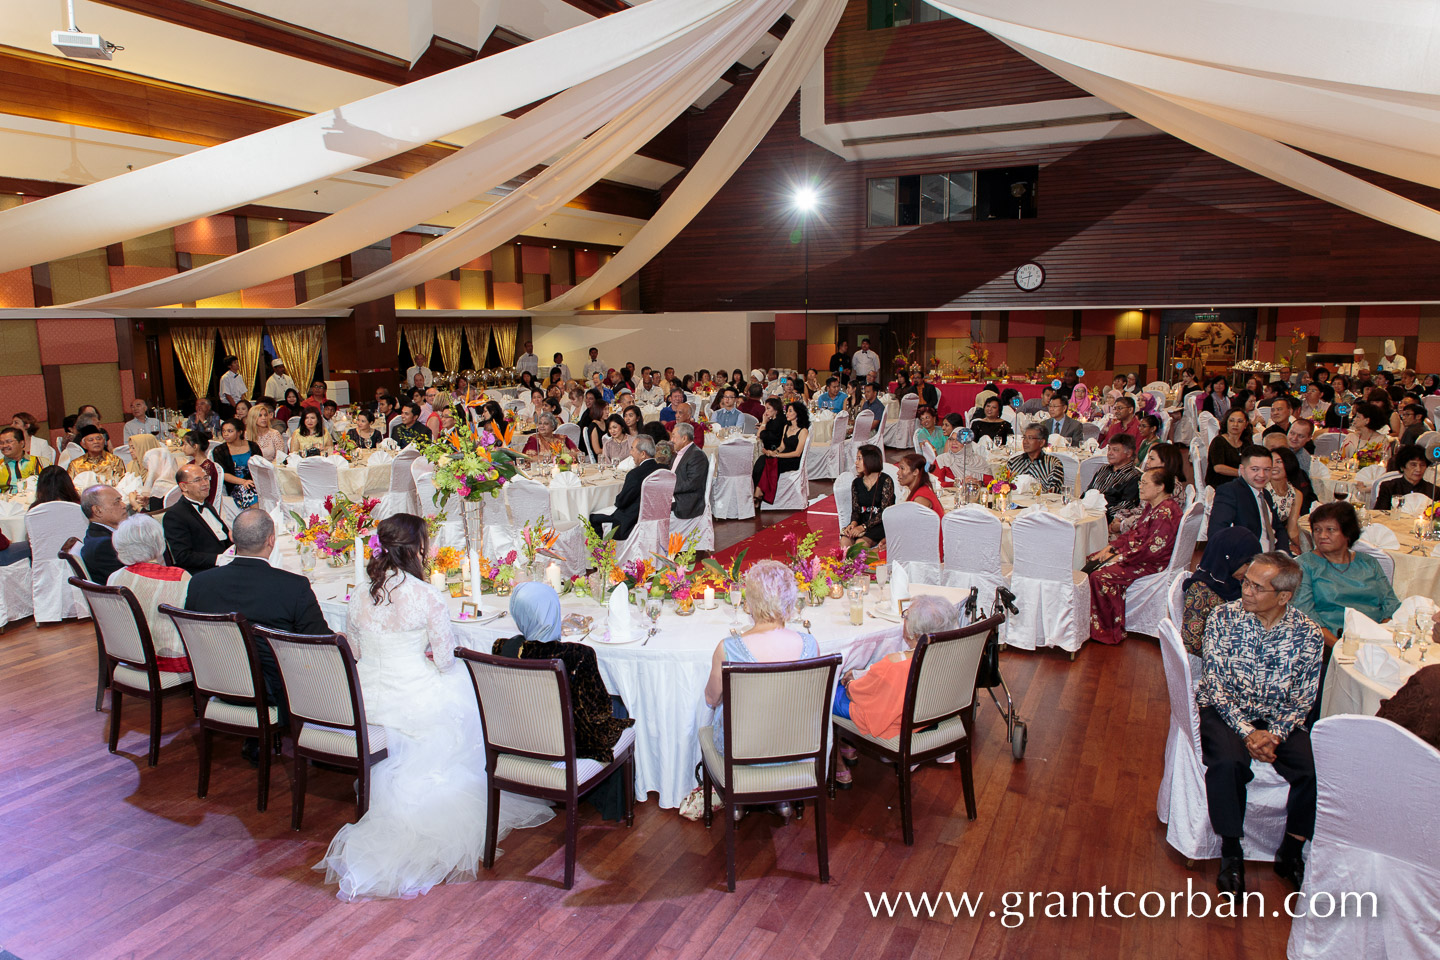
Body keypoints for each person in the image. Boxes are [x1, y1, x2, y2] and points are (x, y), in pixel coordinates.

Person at [313, 514, 555, 901]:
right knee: (464, 690)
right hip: (408, 699)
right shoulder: (426, 595)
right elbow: (445, 659)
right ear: (418, 549)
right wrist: (422, 656)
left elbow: (355, 650)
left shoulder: (361, 591)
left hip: (365, 699)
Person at [1197, 552, 1321, 894]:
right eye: (1246, 582)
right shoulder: (1222, 618)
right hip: (1227, 711)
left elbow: (1304, 698)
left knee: (1314, 770)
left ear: (1283, 597)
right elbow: (1215, 686)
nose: (1246, 591)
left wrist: (1276, 734)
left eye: (1256, 586)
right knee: (1228, 762)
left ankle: (1291, 852)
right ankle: (1231, 853)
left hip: (1278, 716)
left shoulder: (1307, 634)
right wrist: (1248, 733)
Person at [185, 508, 328, 763]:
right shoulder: (292, 586)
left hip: (215, 679)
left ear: (232, 537)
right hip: (273, 690)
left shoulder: (200, 583)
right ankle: (324, 745)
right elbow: (320, 644)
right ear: (271, 541)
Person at [491, 583, 636, 819]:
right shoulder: (577, 655)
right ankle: (614, 806)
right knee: (619, 706)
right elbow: (597, 718)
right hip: (566, 747)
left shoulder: (502, 648)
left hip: (520, 742)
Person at [704, 558, 820, 820]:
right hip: (794, 745)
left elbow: (711, 699)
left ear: (750, 603)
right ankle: (778, 799)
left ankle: (741, 800)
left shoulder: (728, 648)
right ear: (790, 602)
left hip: (740, 749)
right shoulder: (810, 645)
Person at [831, 594, 959, 786]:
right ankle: (845, 745)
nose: (904, 619)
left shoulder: (894, 665)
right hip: (928, 714)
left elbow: (855, 694)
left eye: (906, 616)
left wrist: (848, 681)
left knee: (825, 693)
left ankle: (835, 760)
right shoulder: (952, 654)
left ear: (914, 633)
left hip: (894, 723)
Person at [1086, 469, 1183, 644]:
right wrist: (1111, 547)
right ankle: (1094, 621)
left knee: (1100, 576)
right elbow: (1134, 534)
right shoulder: (1153, 507)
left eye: (1145, 483)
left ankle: (1109, 631)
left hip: (1150, 562)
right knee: (1093, 559)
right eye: (1140, 483)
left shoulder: (1165, 512)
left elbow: (1153, 550)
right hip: (1139, 554)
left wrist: (1120, 557)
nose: (1140, 487)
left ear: (1160, 487)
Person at [1293, 501, 1399, 643]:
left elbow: (1391, 604)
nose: (1322, 535)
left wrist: (1380, 635)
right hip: (1331, 642)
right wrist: (1340, 646)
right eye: (1317, 530)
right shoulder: (1305, 565)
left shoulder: (1368, 562)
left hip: (1375, 637)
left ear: (1348, 533)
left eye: (1330, 530)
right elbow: (1306, 617)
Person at [107, 515, 191, 671]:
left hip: (130, 655)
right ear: (159, 541)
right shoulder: (179, 577)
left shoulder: (115, 577)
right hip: (172, 658)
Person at [1180, 527, 1262, 657]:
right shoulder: (1201, 591)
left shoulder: (1234, 582)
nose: (1250, 571)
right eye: (1247, 563)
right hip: (1223, 661)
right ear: (1229, 558)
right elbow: (1191, 643)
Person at [1208, 444, 1290, 553]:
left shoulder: (1265, 494)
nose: (1261, 475)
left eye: (1267, 469)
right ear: (1242, 470)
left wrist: (1282, 553)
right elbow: (1216, 534)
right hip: (1250, 561)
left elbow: (1278, 528)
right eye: (1255, 469)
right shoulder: (1230, 492)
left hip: (1273, 558)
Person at [588, 435, 661, 539]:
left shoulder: (635, 474)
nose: (630, 453)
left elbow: (621, 502)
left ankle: (601, 553)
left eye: (632, 449)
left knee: (592, 517)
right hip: (655, 520)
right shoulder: (663, 470)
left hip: (631, 520)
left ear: (643, 454)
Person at [164, 463, 232, 573]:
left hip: (228, 562)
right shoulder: (175, 515)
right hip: (207, 571)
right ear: (183, 486)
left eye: (206, 478)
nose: (205, 483)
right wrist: (219, 559)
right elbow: (183, 556)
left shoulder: (208, 506)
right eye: (198, 480)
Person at [752, 401, 809, 506]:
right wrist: (773, 452)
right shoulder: (786, 427)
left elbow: (797, 453)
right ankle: (758, 490)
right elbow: (782, 447)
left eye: (790, 411)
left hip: (793, 460)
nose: (787, 413)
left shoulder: (803, 431)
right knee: (762, 459)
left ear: (798, 413)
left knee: (772, 462)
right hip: (782, 456)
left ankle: (759, 493)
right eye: (787, 411)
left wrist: (776, 455)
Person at [841, 446, 895, 549]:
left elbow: (885, 511)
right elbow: (856, 510)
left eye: (859, 459)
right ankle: (846, 564)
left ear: (870, 460)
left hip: (879, 523)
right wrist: (853, 524)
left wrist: (863, 527)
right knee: (845, 541)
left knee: (860, 543)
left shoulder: (886, 481)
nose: (856, 463)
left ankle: (860, 564)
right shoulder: (856, 482)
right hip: (862, 520)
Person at [79, 483, 128, 584]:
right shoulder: (103, 545)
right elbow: (127, 582)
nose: (124, 506)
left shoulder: (99, 536)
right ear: (97, 510)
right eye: (117, 502)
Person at [1086, 435, 1142, 521]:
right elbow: (1088, 491)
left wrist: (1099, 515)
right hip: (1087, 513)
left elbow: (1126, 506)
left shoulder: (1134, 476)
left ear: (1129, 453)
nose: (1110, 453)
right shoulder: (1104, 469)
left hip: (1107, 519)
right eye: (1109, 449)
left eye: (1115, 450)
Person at [1267, 447, 1312, 548]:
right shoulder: (1262, 490)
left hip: (1281, 538)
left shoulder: (1295, 494)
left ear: (1288, 464)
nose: (1273, 466)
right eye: (1271, 461)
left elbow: (1292, 530)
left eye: (1279, 462)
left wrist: (1306, 549)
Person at [214, 418, 262, 510]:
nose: (226, 434)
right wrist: (243, 482)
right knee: (249, 491)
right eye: (223, 431)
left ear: (239, 432)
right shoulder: (220, 450)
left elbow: (260, 467)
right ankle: (256, 518)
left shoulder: (253, 446)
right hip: (235, 485)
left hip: (255, 482)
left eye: (230, 431)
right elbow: (223, 474)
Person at [1006, 424, 1065, 494]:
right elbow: (1005, 487)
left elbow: (1055, 492)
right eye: (1024, 437)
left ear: (1042, 442)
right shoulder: (1013, 462)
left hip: (1043, 503)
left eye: (1030, 438)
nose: (1025, 442)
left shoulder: (1053, 463)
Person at [1374, 444, 1437, 509]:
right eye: (1413, 465)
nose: (1418, 469)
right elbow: (1379, 514)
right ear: (1402, 467)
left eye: (1422, 465)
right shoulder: (1389, 487)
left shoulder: (1434, 490)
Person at [125, 433, 176, 510]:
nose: (130, 451)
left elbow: (153, 517)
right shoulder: (131, 465)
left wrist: (135, 504)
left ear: (143, 448)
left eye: (133, 448)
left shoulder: (160, 483)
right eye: (129, 447)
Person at [670, 422, 707, 522]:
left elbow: (692, 483)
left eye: (674, 436)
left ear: (684, 438)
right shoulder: (679, 452)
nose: (671, 440)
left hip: (686, 500)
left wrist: (669, 489)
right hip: (676, 494)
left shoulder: (697, 455)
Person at [1206, 408, 1251, 488]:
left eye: (1240, 421)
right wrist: (1241, 473)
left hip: (1241, 482)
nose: (1235, 424)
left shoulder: (1246, 443)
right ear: (1226, 422)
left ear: (1246, 424)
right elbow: (1218, 467)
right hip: (1221, 484)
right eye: (1231, 421)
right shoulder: (1219, 441)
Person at [178, 426, 221, 509]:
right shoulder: (190, 464)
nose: (183, 448)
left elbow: (208, 491)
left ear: (195, 446)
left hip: (203, 504)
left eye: (185, 444)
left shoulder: (208, 467)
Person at [894, 452, 943, 524]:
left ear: (915, 472)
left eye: (902, 468)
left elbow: (914, 524)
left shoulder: (921, 498)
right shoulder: (921, 490)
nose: (898, 472)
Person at [0, 426, 47, 493]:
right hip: (7, 502)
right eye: (1, 443)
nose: (4, 446)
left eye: (9, 442)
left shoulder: (41, 462)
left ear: (22, 443)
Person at [1340, 401, 1388, 466]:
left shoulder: (1382, 441)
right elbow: (1341, 460)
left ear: (1367, 420)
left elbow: (1386, 464)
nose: (1354, 419)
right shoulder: (1350, 437)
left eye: (1358, 417)